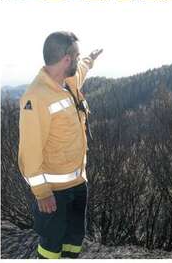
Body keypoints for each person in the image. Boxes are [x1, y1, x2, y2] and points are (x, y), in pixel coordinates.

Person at [19, 32, 102, 259]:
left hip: (78, 184)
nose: (79, 60)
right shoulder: (36, 97)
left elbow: (81, 71)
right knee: (51, 246)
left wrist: (90, 60)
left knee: (74, 242)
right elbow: (30, 151)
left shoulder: (67, 82)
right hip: (54, 193)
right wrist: (42, 193)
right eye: (77, 56)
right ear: (66, 59)